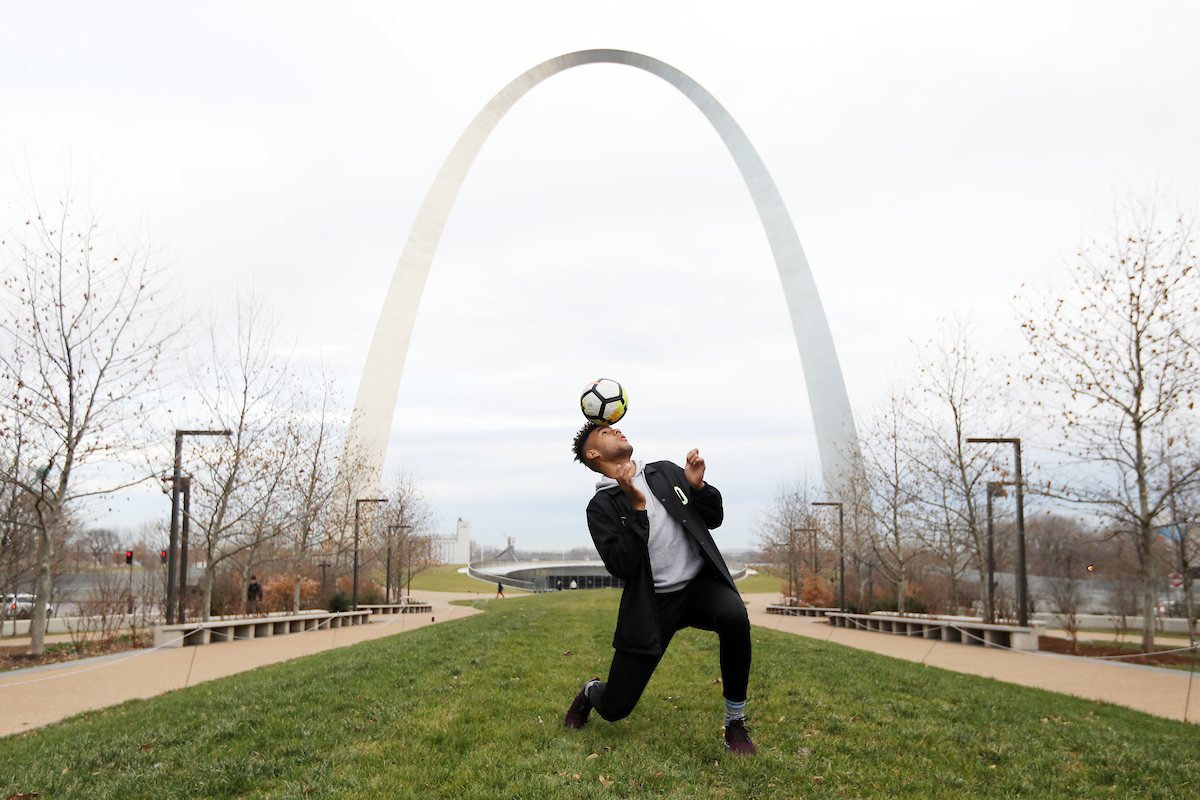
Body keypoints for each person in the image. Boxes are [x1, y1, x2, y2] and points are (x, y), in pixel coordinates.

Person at [562, 423, 755, 755]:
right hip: (652, 606)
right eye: (607, 432)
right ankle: (592, 690)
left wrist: (699, 487)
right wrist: (637, 509)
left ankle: (734, 723)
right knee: (616, 707)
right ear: (593, 453)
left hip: (698, 586)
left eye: (616, 427)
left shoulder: (665, 472)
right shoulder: (601, 507)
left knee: (734, 616)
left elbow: (714, 517)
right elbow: (621, 565)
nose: (618, 430)